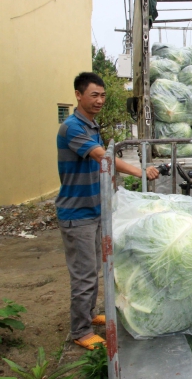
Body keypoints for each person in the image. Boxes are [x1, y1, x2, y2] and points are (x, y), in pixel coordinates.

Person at [56, 72, 160, 350]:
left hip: (95, 208)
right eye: (94, 95)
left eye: (102, 95)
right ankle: (80, 330)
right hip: (77, 213)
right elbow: (101, 156)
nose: (100, 100)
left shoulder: (90, 125)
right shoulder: (72, 127)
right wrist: (138, 172)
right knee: (84, 273)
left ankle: (89, 315)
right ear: (78, 95)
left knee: (96, 269)